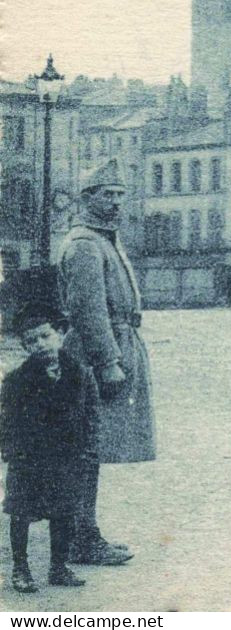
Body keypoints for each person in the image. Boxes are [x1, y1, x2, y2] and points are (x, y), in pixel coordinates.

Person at [58, 161, 151, 566]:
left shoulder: (104, 239)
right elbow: (88, 309)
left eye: (119, 194)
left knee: (90, 448)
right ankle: (81, 538)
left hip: (112, 346)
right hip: (94, 357)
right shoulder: (84, 244)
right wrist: (109, 361)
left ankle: (82, 533)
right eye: (105, 194)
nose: (115, 201)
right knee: (85, 449)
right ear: (86, 198)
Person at [1, 303, 95, 592]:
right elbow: (6, 421)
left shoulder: (80, 374)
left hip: (67, 457)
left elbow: (91, 417)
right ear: (24, 347)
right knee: (22, 512)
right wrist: (11, 451)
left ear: (60, 334)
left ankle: (58, 567)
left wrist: (89, 450)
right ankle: (20, 568)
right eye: (31, 341)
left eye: (45, 336)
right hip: (28, 458)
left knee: (65, 512)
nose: (39, 345)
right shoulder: (16, 381)